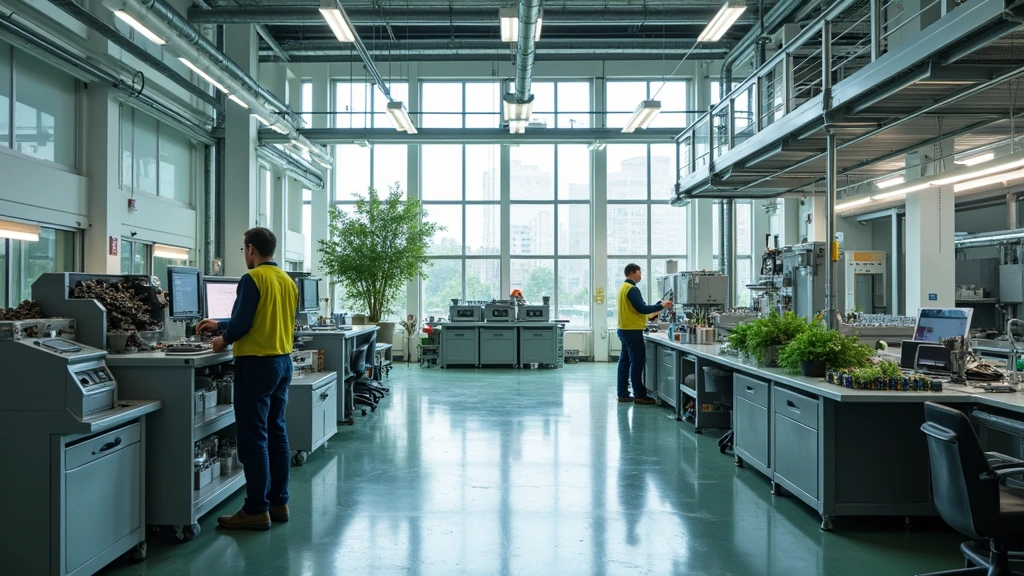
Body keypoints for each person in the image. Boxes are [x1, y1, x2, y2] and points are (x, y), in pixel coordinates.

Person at [196, 227, 298, 531]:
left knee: (253, 438)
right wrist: (221, 323)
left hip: (256, 365)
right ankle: (278, 502)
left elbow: (242, 325)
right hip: (282, 362)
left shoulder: (252, 278)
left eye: (244, 249)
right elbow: (262, 316)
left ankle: (255, 509)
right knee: (276, 432)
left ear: (251, 249)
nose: (245, 254)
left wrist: (222, 339)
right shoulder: (287, 281)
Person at [616, 263, 671, 405]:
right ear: (632, 273)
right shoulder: (632, 289)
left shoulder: (623, 288)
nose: (641, 275)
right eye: (639, 272)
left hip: (623, 329)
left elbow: (636, 309)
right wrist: (661, 306)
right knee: (637, 362)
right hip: (632, 331)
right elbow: (642, 308)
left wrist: (657, 306)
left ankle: (622, 393)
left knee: (624, 362)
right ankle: (640, 395)